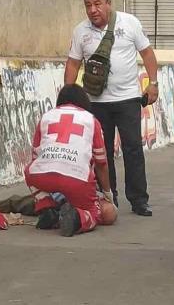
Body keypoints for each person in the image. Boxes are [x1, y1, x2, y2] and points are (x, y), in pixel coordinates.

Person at [64, 0, 159, 217]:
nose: (93, 10)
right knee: (101, 153)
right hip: (95, 103)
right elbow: (73, 63)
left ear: (108, 3)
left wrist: (153, 84)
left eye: (97, 4)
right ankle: (108, 197)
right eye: (88, 6)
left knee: (133, 149)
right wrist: (68, 96)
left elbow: (147, 53)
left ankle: (139, 200)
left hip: (128, 100)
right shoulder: (80, 32)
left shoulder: (129, 23)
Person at [25, 84, 118, 236]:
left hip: (41, 177)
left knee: (30, 170)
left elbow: (35, 157)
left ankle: (47, 208)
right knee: (101, 213)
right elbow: (101, 164)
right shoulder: (91, 120)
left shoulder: (46, 117)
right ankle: (77, 218)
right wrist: (108, 193)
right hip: (78, 179)